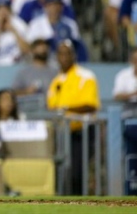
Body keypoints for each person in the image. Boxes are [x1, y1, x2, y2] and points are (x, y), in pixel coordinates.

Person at [47, 40, 100, 195]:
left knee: (78, 172)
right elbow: (52, 107)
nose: (64, 57)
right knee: (61, 172)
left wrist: (66, 110)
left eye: (67, 53)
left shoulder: (85, 76)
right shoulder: (56, 81)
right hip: (62, 134)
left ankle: (79, 203)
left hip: (81, 132)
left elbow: (91, 105)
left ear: (74, 55)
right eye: (60, 53)